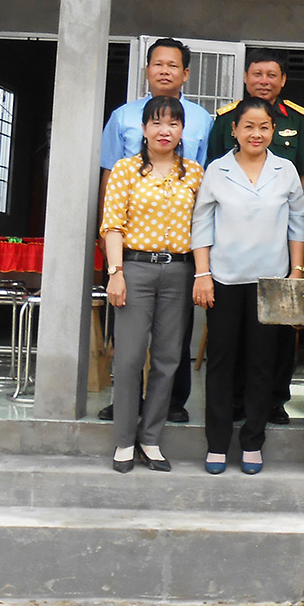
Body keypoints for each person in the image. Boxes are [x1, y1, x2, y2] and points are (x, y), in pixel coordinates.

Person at [97, 37, 213, 425]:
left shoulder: (202, 119)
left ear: (186, 73)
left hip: (179, 239)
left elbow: (204, 186)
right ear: (147, 69)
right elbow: (110, 173)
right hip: (131, 242)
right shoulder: (123, 116)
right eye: (157, 64)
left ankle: (172, 402)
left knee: (173, 336)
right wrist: (107, 236)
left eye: (172, 65)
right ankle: (125, 401)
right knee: (128, 335)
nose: (164, 70)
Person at [191, 98, 304, 475]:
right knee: (222, 363)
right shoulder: (217, 169)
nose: (256, 134)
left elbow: (296, 224)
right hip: (223, 279)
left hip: (270, 282)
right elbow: (202, 224)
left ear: (272, 131)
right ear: (235, 131)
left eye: (264, 127)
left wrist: (296, 270)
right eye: (249, 127)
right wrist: (202, 273)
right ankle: (217, 444)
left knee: (262, 365)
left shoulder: (285, 169)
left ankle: (253, 442)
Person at [206, 48, 304, 426]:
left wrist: (296, 261)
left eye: (271, 75)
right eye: (257, 74)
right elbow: (215, 179)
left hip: (275, 250)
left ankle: (274, 401)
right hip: (230, 257)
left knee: (276, 336)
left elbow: (302, 183)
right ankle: (236, 401)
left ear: (282, 81)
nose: (264, 80)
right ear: (246, 77)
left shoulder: (297, 121)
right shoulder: (224, 120)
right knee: (231, 338)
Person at [99, 96, 204, 473]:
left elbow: (204, 228)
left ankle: (151, 438)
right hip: (135, 269)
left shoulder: (194, 174)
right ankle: (124, 440)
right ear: (143, 129)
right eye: (157, 123)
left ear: (181, 131)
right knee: (128, 359)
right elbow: (112, 225)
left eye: (173, 124)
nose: (165, 130)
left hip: (178, 271)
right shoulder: (126, 171)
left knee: (168, 359)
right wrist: (115, 272)